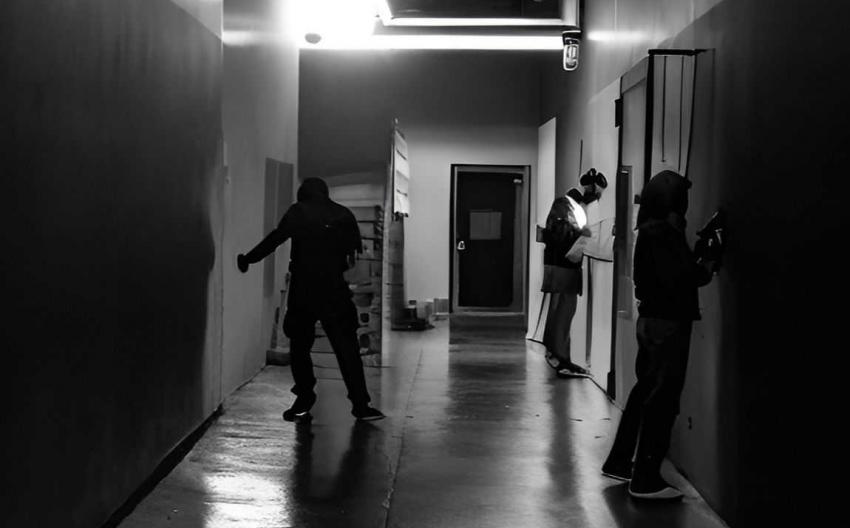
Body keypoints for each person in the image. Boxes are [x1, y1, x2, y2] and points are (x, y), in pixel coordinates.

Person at [601, 170, 720, 499]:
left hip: (651, 320)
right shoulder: (663, 234)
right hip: (668, 323)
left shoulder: (650, 230)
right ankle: (646, 479)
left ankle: (620, 461)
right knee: (662, 400)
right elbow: (685, 277)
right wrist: (708, 259)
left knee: (645, 392)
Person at [237, 177, 384, 422]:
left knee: (300, 346)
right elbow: (352, 257)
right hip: (335, 289)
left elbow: (275, 239)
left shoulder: (299, 212)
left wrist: (248, 259)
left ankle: (304, 398)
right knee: (347, 349)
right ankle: (361, 404)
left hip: (304, 289)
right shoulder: (343, 214)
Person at [541, 188, 592, 379]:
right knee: (564, 312)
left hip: (558, 270)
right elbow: (564, 237)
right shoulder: (567, 210)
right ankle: (561, 358)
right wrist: (582, 233)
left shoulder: (561, 208)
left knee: (559, 312)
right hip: (564, 271)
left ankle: (559, 356)